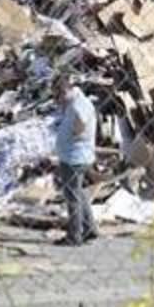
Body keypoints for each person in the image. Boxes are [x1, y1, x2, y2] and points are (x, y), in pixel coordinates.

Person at [53, 76, 98, 246]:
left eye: (58, 96)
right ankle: (89, 229)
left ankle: (74, 236)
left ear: (65, 91)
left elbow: (80, 127)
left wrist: (71, 134)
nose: (58, 100)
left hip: (74, 157)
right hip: (78, 155)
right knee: (80, 194)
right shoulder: (78, 101)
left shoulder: (79, 106)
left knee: (72, 197)